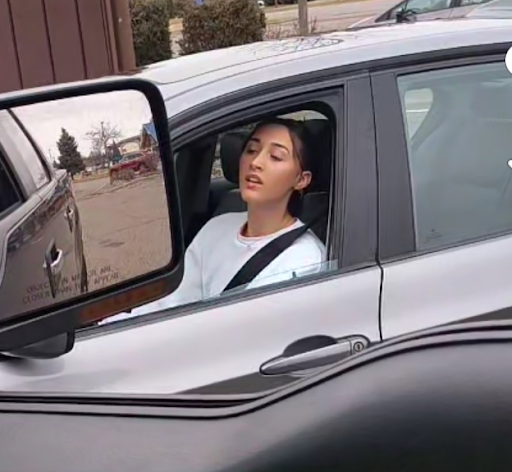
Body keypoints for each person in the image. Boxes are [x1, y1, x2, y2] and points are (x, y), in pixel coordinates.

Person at [103, 117, 327, 323]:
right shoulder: (217, 227)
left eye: (275, 156)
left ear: (301, 179)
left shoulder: (304, 259)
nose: (256, 162)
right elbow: (171, 305)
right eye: (251, 150)